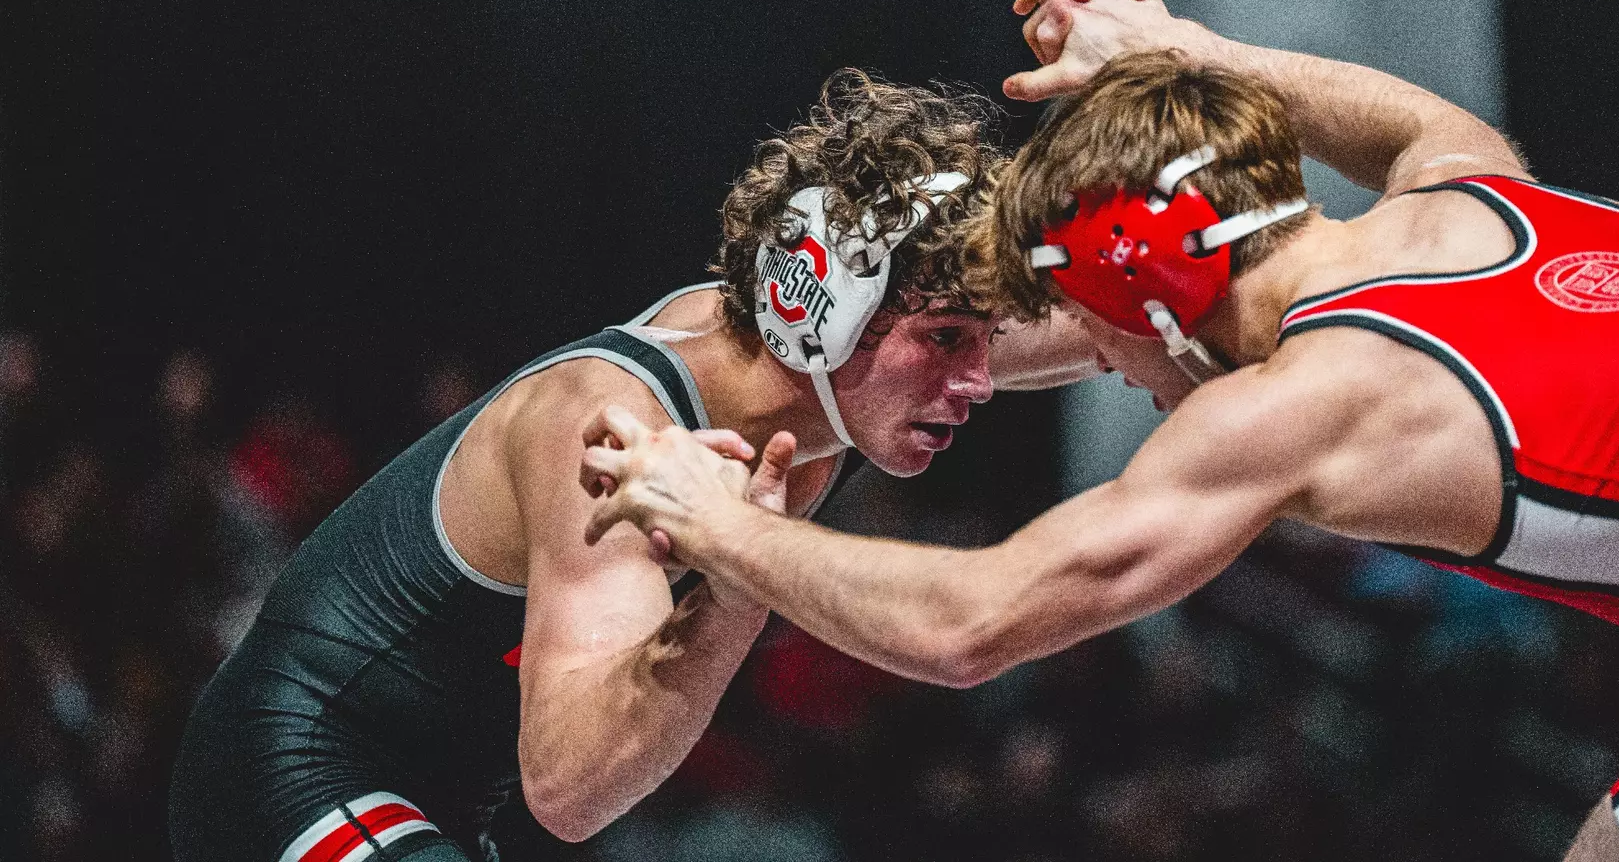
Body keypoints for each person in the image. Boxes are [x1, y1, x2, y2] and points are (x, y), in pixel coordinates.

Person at [579, 0, 1619, 862]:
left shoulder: (1310, 400)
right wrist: (1182, 48)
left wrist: (710, 519)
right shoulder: (1476, 197)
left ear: (1163, 310)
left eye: (1103, 339)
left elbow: (972, 622)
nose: (1118, 376)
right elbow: (1417, 122)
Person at [166, 54, 1170, 862]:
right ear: (835, 321)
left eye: (980, 339)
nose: (978, 381)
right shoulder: (614, 426)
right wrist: (740, 572)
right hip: (295, 765)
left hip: (445, 789)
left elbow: (1136, 315)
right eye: (949, 339)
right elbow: (570, 785)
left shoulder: (848, 369)